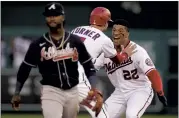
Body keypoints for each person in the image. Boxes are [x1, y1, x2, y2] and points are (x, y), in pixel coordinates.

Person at [11, 2, 101, 118]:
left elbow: (88, 66)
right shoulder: (38, 44)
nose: (52, 18)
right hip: (51, 91)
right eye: (49, 15)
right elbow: (25, 68)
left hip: (73, 91)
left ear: (62, 17)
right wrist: (17, 93)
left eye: (55, 15)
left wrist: (94, 88)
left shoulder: (75, 41)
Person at [94, 19, 167, 118]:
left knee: (131, 115)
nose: (116, 33)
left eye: (120, 30)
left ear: (127, 34)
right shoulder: (107, 51)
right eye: (114, 30)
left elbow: (152, 73)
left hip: (140, 90)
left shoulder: (137, 51)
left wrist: (160, 92)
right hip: (120, 92)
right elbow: (92, 68)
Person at [71, 7, 136, 118]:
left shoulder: (76, 30)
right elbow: (118, 61)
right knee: (101, 114)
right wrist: (125, 53)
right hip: (79, 78)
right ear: (105, 22)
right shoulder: (104, 40)